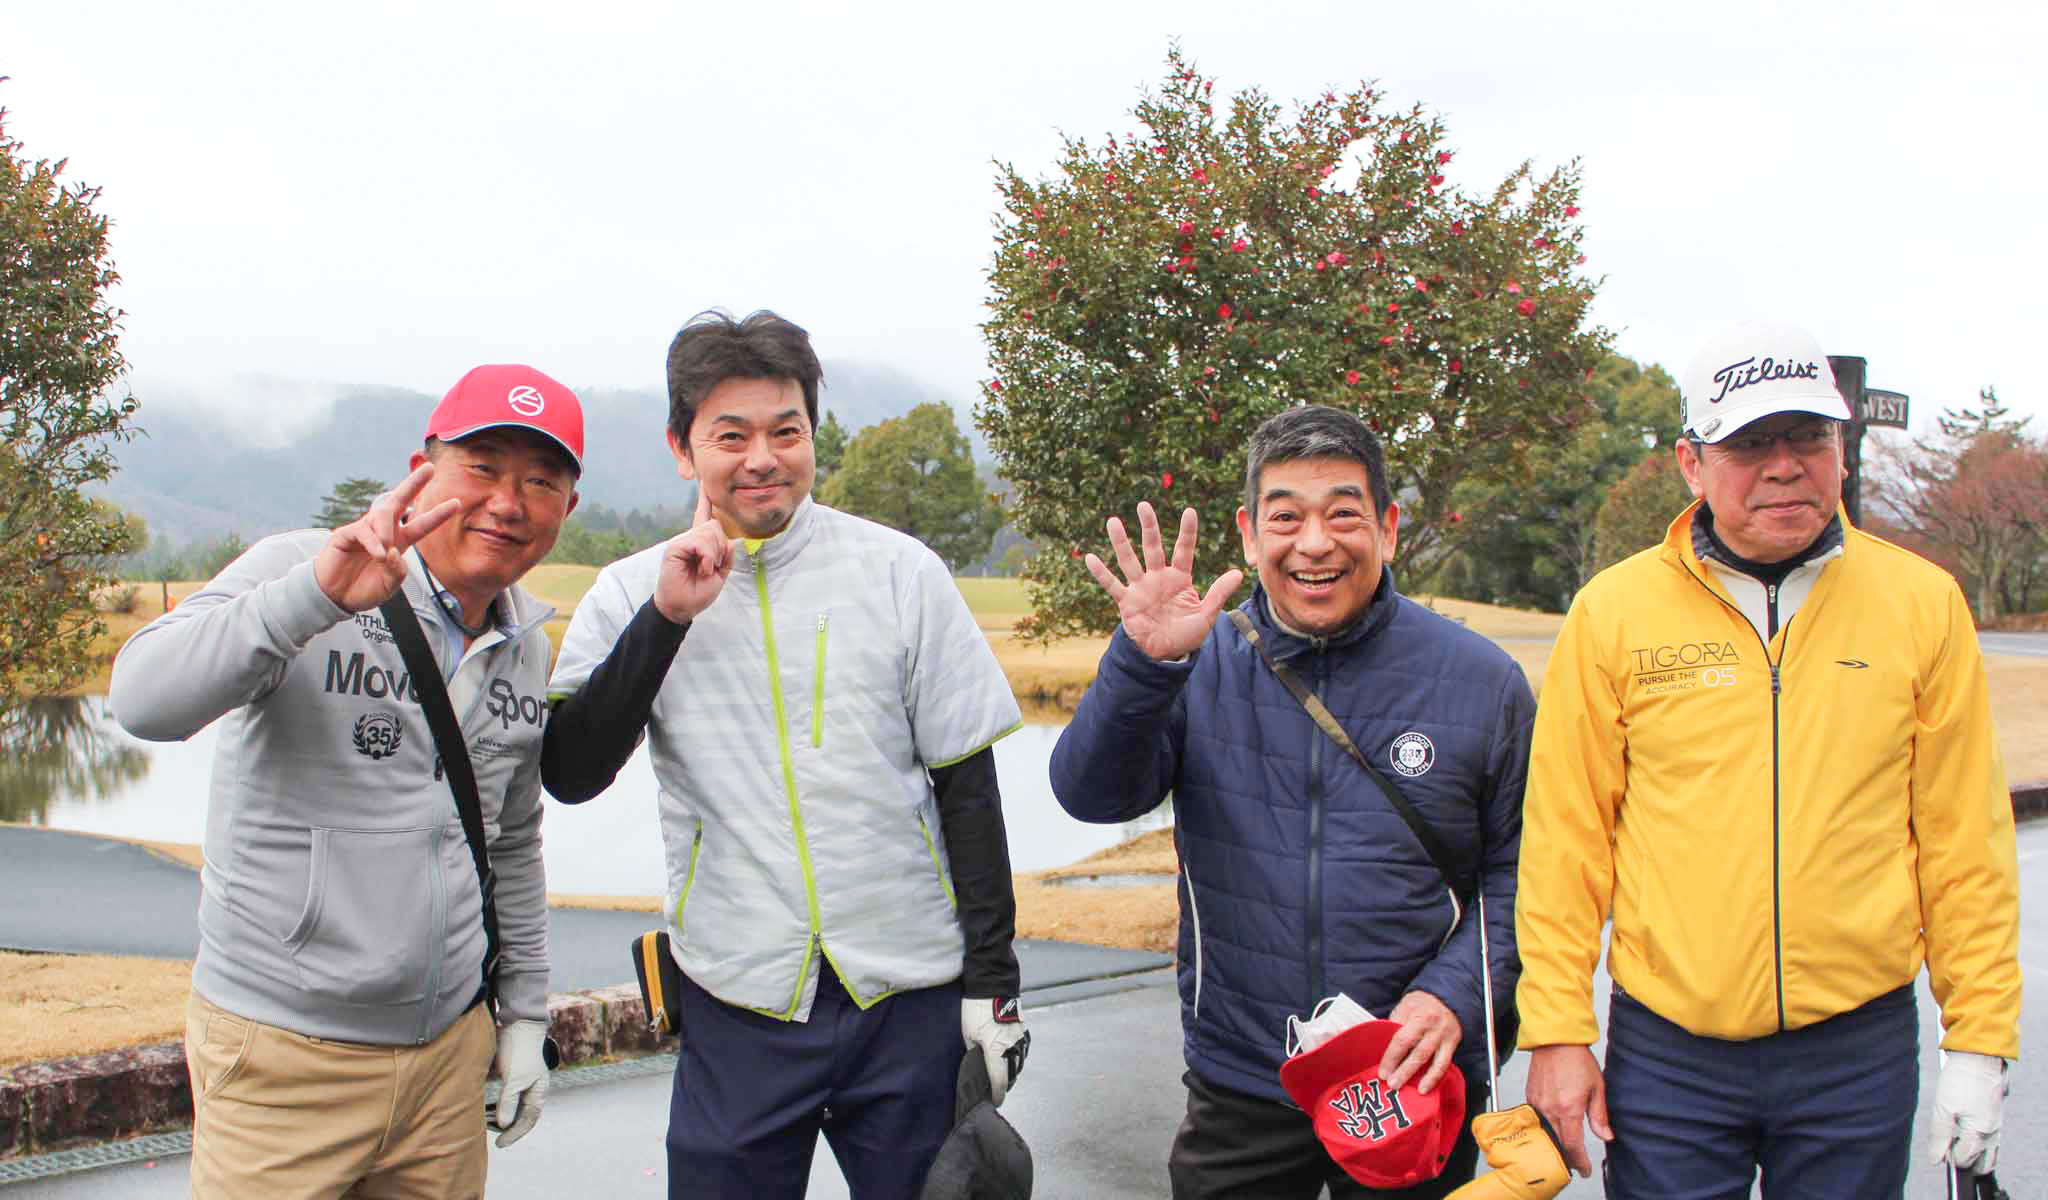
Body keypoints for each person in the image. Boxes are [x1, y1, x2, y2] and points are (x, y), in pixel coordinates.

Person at [1514, 319, 2022, 1198]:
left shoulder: (1922, 603)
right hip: (1671, 1050)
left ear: (1843, 452)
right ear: (1691, 463)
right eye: (1750, 443)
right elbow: (1567, 841)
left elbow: (1961, 843)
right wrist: (1557, 1030)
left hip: (1855, 1050)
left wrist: (1979, 1040)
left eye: (1809, 438)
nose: (1784, 465)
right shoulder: (1615, 612)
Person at [542, 308, 1029, 1200]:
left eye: (786, 430)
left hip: (906, 993)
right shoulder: (629, 593)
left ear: (813, 435)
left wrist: (992, 986)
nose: (762, 457)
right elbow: (572, 772)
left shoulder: (899, 572)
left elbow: (967, 783)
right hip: (739, 997)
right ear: (684, 448)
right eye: (731, 435)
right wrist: (668, 619)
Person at [108, 364, 584, 1196]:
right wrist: (316, 595)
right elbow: (143, 700)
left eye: (540, 480)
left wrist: (525, 1017)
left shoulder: (526, 645)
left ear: (565, 510)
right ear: (422, 468)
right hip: (284, 1058)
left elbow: (511, 844)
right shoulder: (299, 568)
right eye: (481, 468)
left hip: (446, 1062)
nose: (508, 502)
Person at [1050, 403, 1535, 1199]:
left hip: (1411, 1072)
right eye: (1287, 517)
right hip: (1244, 1074)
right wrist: (1142, 667)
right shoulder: (1198, 664)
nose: (1315, 544)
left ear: (1388, 526)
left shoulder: (1482, 682)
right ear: (1249, 532)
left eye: (1343, 514)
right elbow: (1090, 795)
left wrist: (1454, 997)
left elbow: (1525, 871)